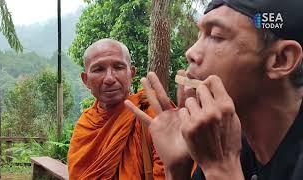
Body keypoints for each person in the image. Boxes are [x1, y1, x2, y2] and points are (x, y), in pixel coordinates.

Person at [125, 0, 303, 179]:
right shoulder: (223, 142)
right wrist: (177, 170)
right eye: (199, 35)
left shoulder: (221, 157)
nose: (190, 52)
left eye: (217, 36)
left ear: (281, 59)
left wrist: (221, 170)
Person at [67, 38, 165, 180]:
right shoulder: (85, 124)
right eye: (99, 69)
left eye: (118, 67)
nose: (109, 78)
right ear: (85, 80)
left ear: (131, 73)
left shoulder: (153, 114)